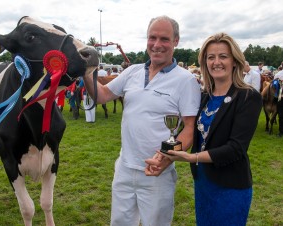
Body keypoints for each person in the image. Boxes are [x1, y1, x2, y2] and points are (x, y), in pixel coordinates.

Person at [83, 15, 201, 226]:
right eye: (152, 38)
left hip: (158, 172)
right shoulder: (132, 71)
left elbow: (189, 129)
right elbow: (101, 96)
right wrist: (83, 71)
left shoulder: (186, 80)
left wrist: (166, 158)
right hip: (124, 168)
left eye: (164, 39)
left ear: (176, 41)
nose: (157, 45)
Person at [146, 32, 262, 226]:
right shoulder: (204, 96)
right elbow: (188, 131)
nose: (216, 62)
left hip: (231, 186)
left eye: (223, 56)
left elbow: (236, 148)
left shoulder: (248, 97)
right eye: (211, 57)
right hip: (203, 182)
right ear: (205, 62)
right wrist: (163, 156)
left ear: (234, 60)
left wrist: (193, 157)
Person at [274, 69, 283, 137]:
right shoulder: (279, 74)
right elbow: (274, 82)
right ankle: (281, 132)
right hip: (281, 99)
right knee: (281, 116)